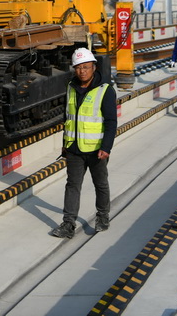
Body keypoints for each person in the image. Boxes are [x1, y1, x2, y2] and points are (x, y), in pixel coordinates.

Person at [50, 47, 117, 239]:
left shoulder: (105, 90)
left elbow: (111, 121)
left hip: (96, 149)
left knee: (100, 184)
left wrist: (106, 147)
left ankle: (102, 217)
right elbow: (68, 117)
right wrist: (65, 143)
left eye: (86, 67)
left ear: (94, 67)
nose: (82, 71)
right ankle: (68, 223)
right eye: (78, 68)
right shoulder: (71, 87)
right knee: (72, 185)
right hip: (74, 148)